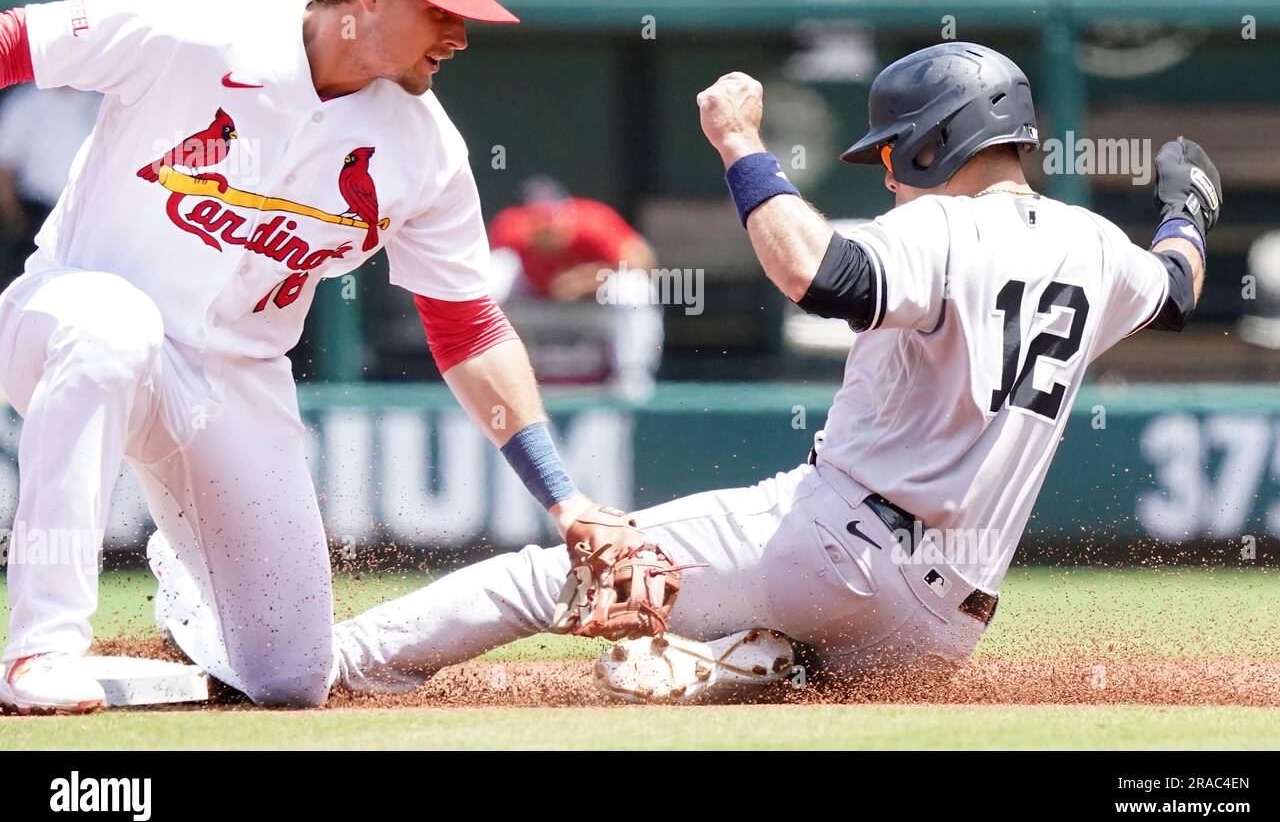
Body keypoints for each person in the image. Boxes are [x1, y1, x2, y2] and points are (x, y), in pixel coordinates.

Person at [328, 43, 1222, 702]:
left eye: (891, 152)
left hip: (839, 548)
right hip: (942, 633)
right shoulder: (1098, 248)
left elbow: (816, 274)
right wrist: (1185, 208)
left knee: (549, 574)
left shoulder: (943, 225)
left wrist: (740, 144)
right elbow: (1177, 285)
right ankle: (755, 662)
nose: (889, 176)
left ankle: (338, 663)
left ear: (935, 142)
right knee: (799, 682)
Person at [0, 0, 671, 714]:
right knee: (115, 331)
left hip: (232, 380)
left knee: (289, 678)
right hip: (70, 320)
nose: (459, 35)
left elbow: (467, 329)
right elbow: (13, 43)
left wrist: (563, 494)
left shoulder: (426, 149)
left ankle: (190, 600)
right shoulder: (186, 23)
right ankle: (42, 648)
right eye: (439, 11)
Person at [488, 176, 663, 400]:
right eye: (537, 221)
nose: (546, 228)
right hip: (532, 290)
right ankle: (481, 372)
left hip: (596, 297)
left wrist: (587, 278)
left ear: (565, 213)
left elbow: (644, 262)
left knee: (634, 287)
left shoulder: (592, 221)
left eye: (551, 218)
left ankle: (632, 377)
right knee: (494, 273)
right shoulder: (511, 226)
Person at [0, 85, 101, 282]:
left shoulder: (98, 99)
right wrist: (14, 219)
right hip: (38, 212)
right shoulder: (25, 102)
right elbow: (5, 167)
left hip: (88, 213)